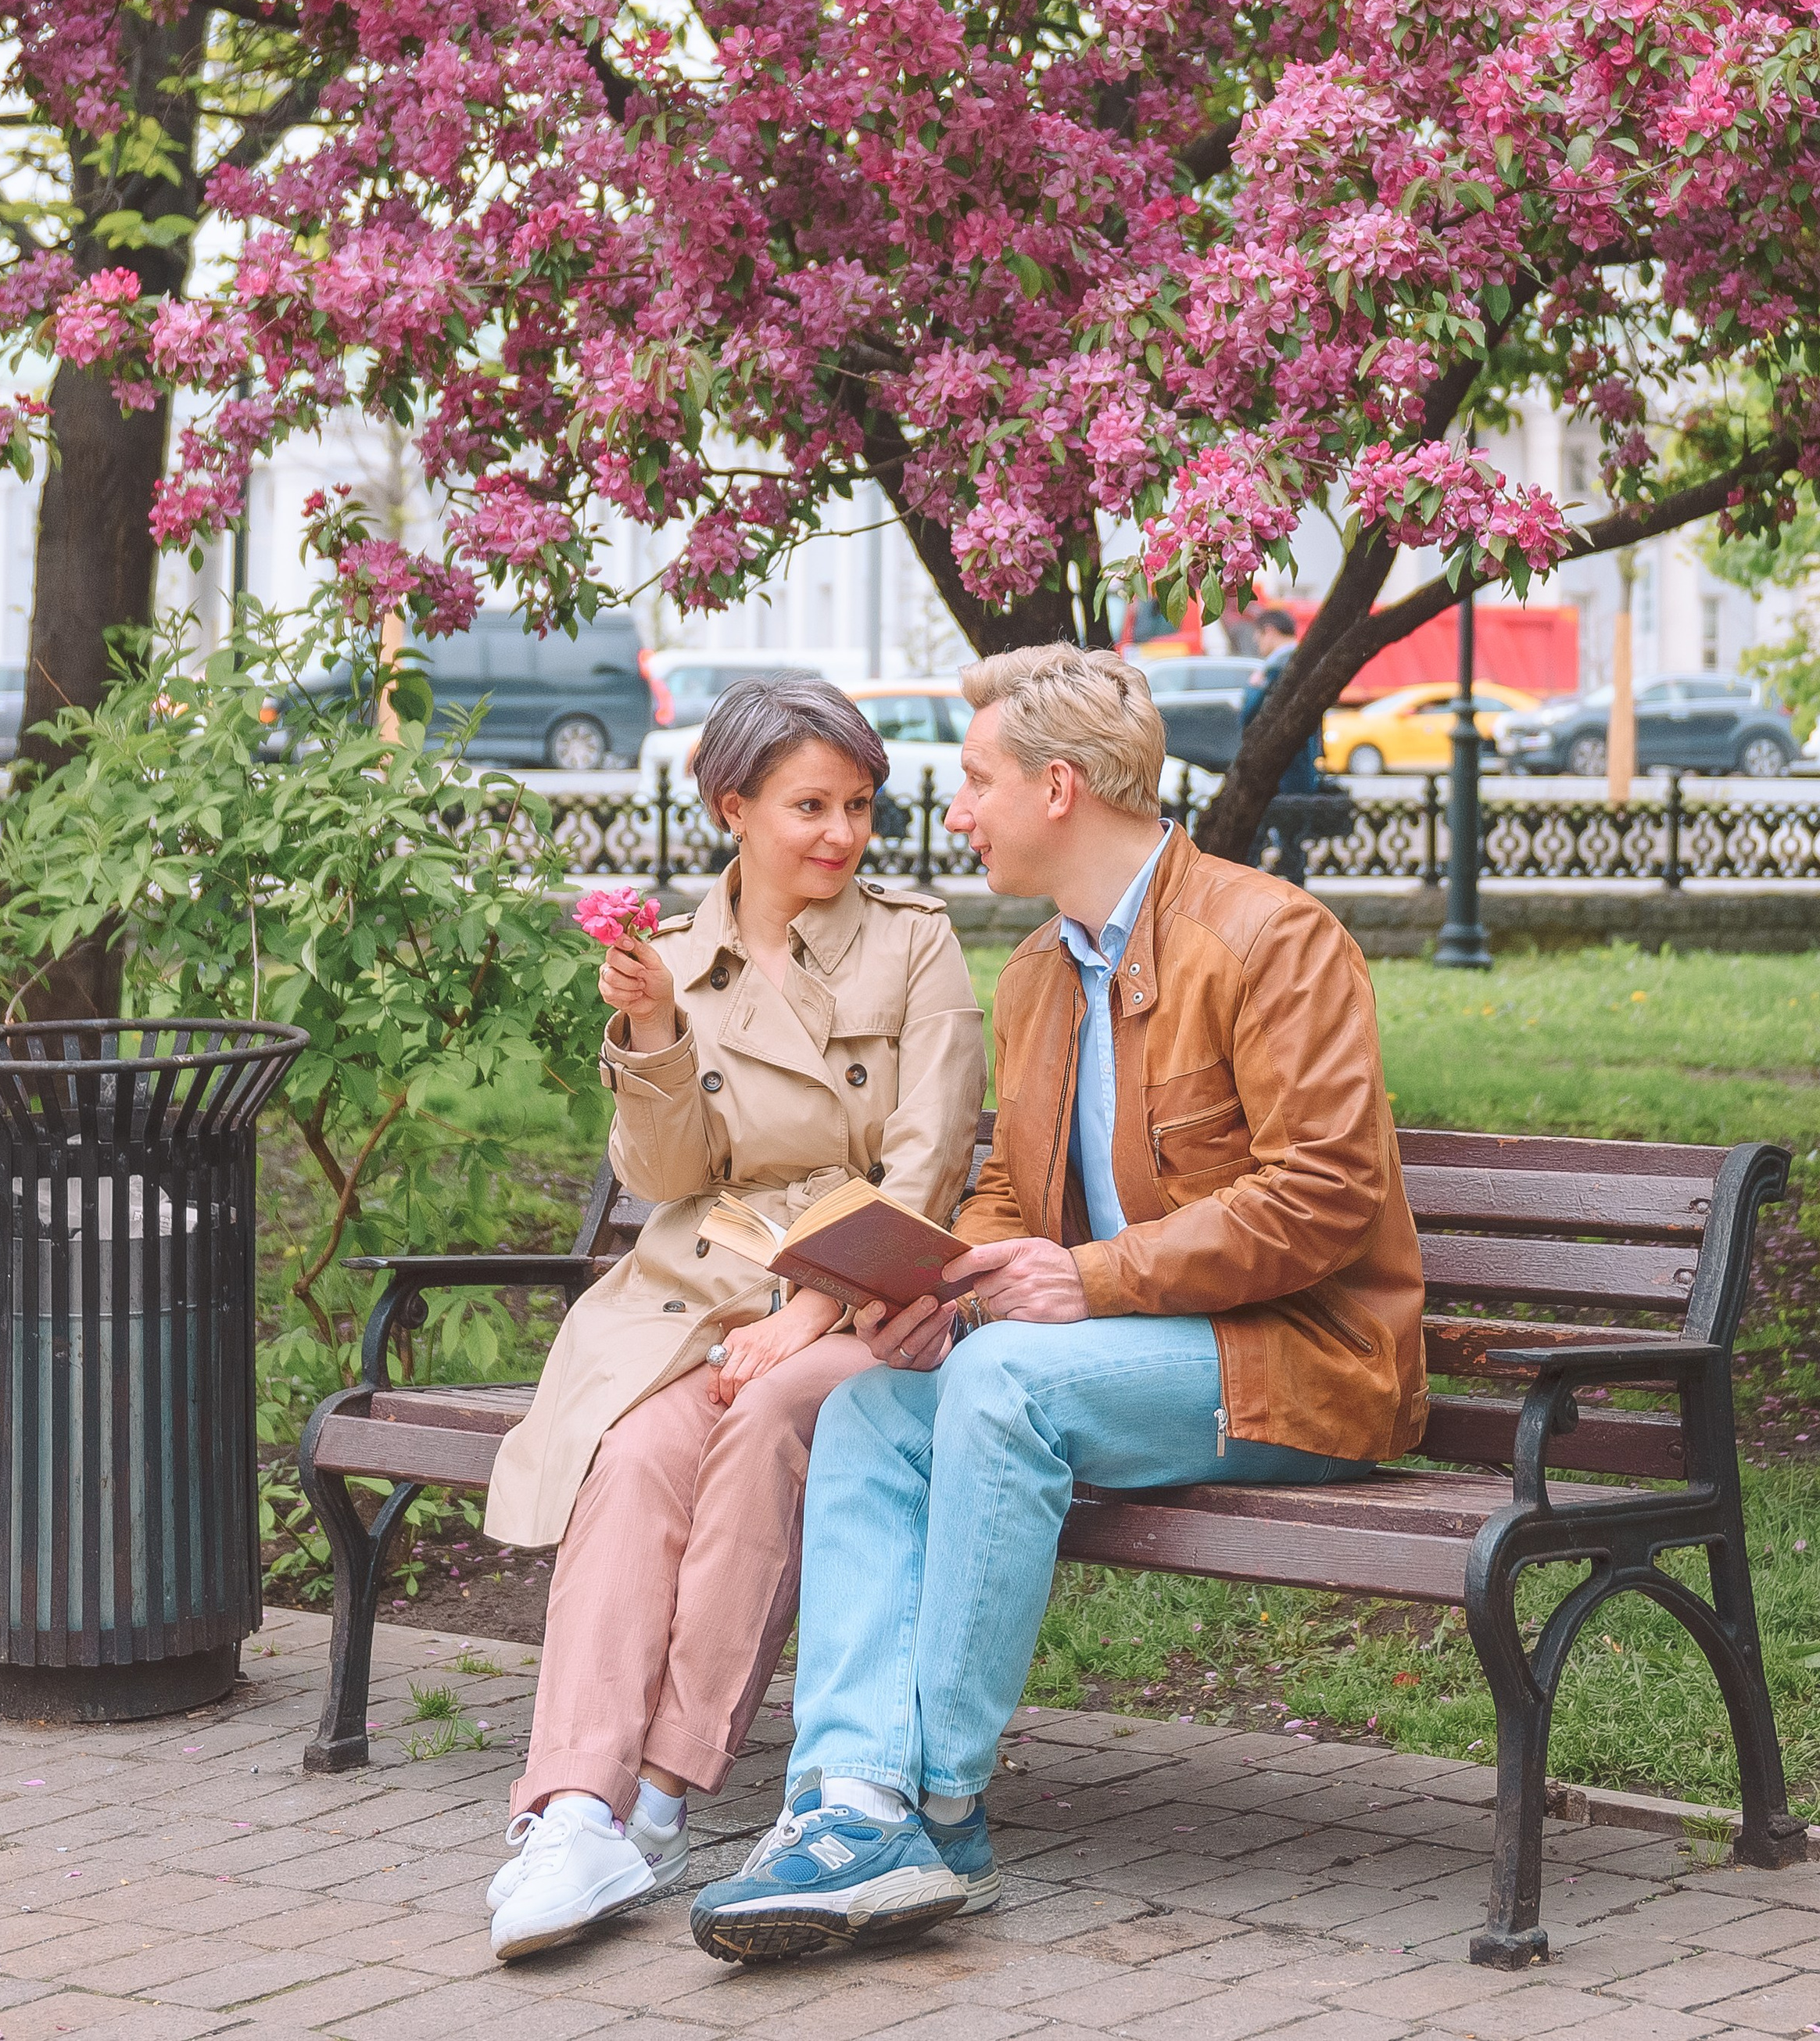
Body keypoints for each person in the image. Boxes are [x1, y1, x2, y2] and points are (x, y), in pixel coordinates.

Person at [690, 644, 1428, 1965]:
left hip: (1303, 1361)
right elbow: (1004, 1194)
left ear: (1059, 786)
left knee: (1002, 1384)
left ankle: (938, 1805)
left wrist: (1072, 1283)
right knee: (878, 1397)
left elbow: (1318, 1200)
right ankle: (850, 1790)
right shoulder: (1039, 969)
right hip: (1114, 1353)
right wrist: (946, 1291)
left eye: (974, 779)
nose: (952, 810)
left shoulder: (1272, 938)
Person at [480, 676, 985, 1963]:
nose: (843, 832)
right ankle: (576, 1807)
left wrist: (813, 1306)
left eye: (860, 803)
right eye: (810, 803)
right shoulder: (678, 958)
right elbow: (665, 1176)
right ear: (733, 806)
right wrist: (649, 1025)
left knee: (765, 1416)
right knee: (638, 1454)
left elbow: (926, 1163)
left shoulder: (913, 941)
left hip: (875, 1295)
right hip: (700, 1290)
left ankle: (659, 1797)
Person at [1240, 604, 1326, 875]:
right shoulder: (1308, 661)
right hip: (1300, 767)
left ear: (1270, 632)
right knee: (1292, 843)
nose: (1256, 641)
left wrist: (1254, 686)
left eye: (1258, 634)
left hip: (1282, 770)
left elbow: (1249, 713)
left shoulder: (1278, 666)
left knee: (1279, 844)